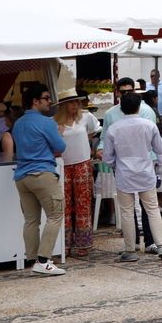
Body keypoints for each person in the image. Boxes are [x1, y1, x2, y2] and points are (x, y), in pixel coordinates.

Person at [104, 91, 162, 262]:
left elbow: (108, 158)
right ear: (139, 106)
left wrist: (116, 165)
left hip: (124, 174)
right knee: (152, 209)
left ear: (121, 107)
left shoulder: (113, 129)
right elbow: (160, 148)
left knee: (126, 212)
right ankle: (161, 245)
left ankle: (130, 249)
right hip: (145, 172)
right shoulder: (149, 125)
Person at [11, 84, 67, 275]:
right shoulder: (46, 122)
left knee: (31, 220)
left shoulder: (18, 123)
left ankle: (33, 260)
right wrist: (58, 132)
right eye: (46, 97)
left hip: (22, 176)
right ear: (36, 101)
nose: (49, 101)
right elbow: (60, 146)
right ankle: (43, 260)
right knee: (55, 215)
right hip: (42, 173)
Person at [54, 91, 100, 258]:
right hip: (63, 165)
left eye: (76, 102)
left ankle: (83, 243)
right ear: (63, 105)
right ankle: (64, 244)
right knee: (64, 205)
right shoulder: (54, 122)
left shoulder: (86, 117)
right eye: (71, 102)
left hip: (82, 163)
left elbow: (94, 134)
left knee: (83, 203)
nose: (74, 105)